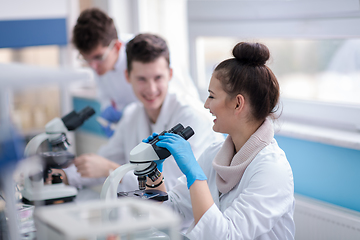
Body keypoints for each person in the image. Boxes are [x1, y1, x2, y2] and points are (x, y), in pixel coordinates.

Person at [144, 42, 295, 239]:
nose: (206, 104)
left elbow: (226, 237)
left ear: (238, 103)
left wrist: (195, 176)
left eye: (211, 96)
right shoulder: (214, 154)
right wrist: (153, 173)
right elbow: (170, 218)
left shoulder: (272, 170)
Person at [55, 33, 223, 193]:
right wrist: (62, 176)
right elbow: (101, 161)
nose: (151, 89)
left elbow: (171, 184)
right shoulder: (131, 115)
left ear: (170, 74)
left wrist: (109, 169)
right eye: (141, 79)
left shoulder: (191, 118)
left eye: (158, 78)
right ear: (128, 77)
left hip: (189, 220)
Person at [73, 8, 199, 137]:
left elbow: (175, 98)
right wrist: (109, 112)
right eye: (86, 59)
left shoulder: (146, 54)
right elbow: (106, 96)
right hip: (137, 127)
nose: (93, 66)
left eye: (98, 58)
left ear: (116, 46)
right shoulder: (100, 63)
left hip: (176, 125)